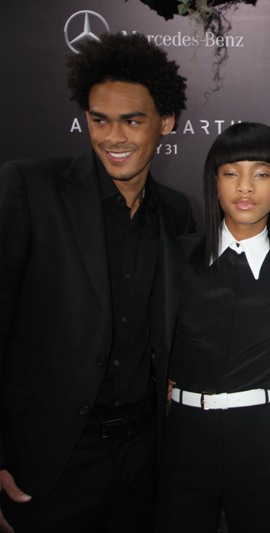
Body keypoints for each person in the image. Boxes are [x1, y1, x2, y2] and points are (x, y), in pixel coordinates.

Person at [0, 32, 194, 531]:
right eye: (99, 119)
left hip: (144, 456)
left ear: (166, 122)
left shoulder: (176, 213)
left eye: (132, 120)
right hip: (49, 458)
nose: (113, 137)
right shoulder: (30, 188)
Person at [157, 122, 270, 532]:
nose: (245, 187)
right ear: (215, 182)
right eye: (231, 173)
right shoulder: (177, 256)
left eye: (261, 174)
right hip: (181, 434)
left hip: (256, 437)